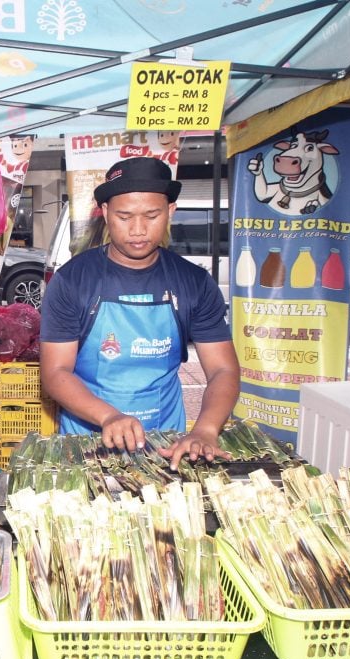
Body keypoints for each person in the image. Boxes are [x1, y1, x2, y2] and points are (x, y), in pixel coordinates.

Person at [39, 157, 239, 469]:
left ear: (170, 212)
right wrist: (109, 416)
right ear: (105, 213)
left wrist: (205, 429)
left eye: (151, 215)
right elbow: (55, 372)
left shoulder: (194, 283)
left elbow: (223, 370)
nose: (138, 229)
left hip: (165, 443)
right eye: (124, 216)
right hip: (86, 440)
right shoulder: (72, 280)